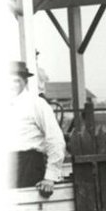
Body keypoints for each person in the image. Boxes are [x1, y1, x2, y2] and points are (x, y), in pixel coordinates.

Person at [11, 61, 66, 195]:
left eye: (15, 81)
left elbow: (55, 140)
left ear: (25, 82)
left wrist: (50, 178)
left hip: (28, 165)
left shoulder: (37, 104)